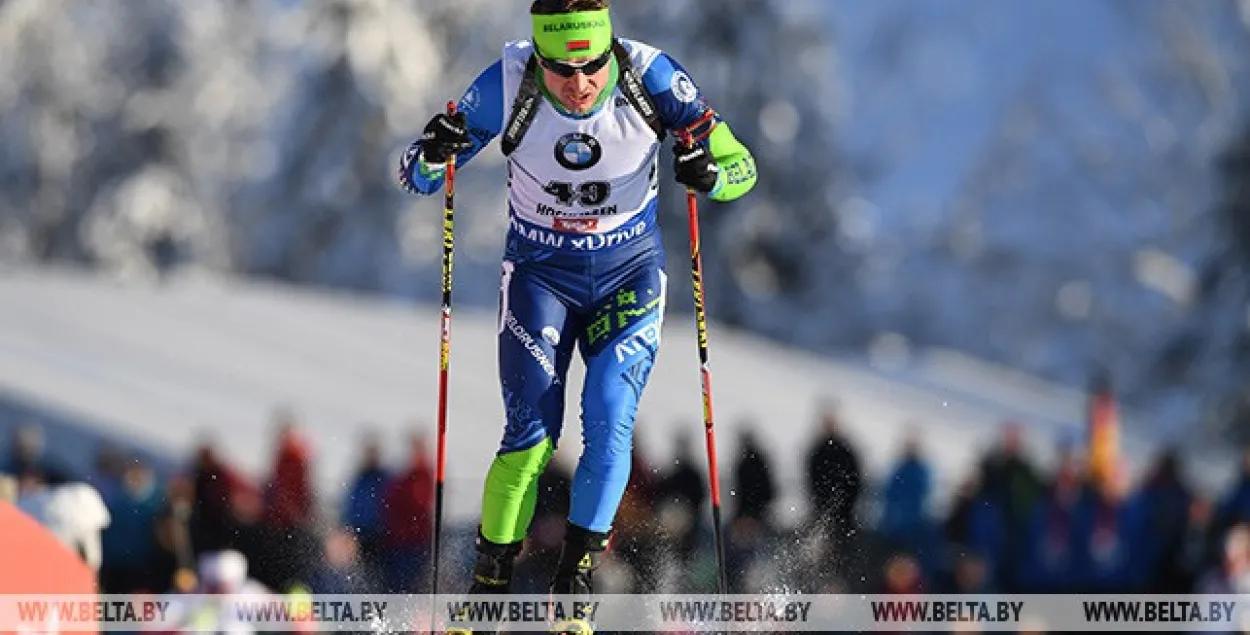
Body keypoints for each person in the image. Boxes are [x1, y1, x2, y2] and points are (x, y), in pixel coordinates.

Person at [398, 0, 757, 631]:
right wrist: (433, 152)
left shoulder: (652, 77)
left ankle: (574, 585)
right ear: (539, 58)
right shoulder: (508, 83)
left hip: (629, 277)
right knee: (531, 436)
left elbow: (741, 168)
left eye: (591, 65)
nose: (579, 82)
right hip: (541, 277)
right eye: (561, 69)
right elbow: (416, 175)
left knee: (610, 420)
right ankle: (488, 591)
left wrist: (710, 171)